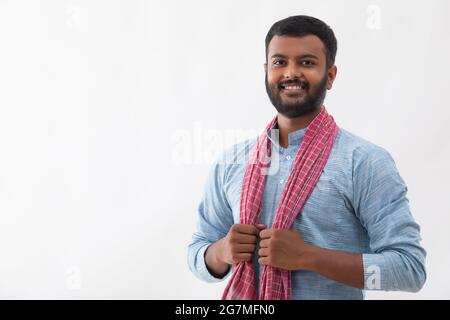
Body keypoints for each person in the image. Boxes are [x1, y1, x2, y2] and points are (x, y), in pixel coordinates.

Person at [187, 15, 426, 300]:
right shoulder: (232, 161)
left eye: (307, 62)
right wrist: (221, 251)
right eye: (279, 62)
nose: (291, 73)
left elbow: (410, 269)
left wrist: (308, 257)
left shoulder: (364, 162)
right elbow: (197, 252)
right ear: (266, 71)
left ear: (331, 76)